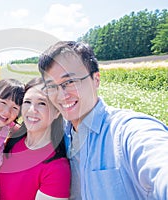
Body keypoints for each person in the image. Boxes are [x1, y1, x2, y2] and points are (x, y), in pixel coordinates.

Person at [37, 40, 168, 199]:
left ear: (96, 79)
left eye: (70, 82)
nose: (61, 95)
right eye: (51, 86)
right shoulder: (59, 135)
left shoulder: (126, 132)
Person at [0, 77, 71, 200]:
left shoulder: (57, 168)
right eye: (27, 102)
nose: (32, 110)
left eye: (42, 103)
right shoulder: (12, 141)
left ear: (57, 112)